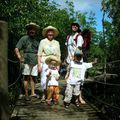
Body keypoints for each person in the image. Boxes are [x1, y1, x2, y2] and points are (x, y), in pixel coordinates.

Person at [15, 22, 40, 101]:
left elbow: (40, 51)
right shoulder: (24, 38)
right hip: (26, 59)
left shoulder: (37, 40)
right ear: (28, 30)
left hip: (35, 60)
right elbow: (16, 48)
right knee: (26, 77)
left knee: (33, 78)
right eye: (31, 29)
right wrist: (19, 57)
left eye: (34, 29)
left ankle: (32, 93)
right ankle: (26, 94)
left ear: (36, 31)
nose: (32, 31)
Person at [37, 26, 61, 102]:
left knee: (53, 78)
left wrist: (58, 65)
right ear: (46, 33)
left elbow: (59, 54)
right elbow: (39, 54)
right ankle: (44, 94)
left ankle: (52, 95)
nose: (50, 33)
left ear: (53, 34)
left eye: (52, 32)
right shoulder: (42, 41)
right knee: (44, 79)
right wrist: (39, 64)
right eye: (49, 32)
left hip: (54, 62)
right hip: (44, 61)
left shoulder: (57, 42)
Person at [65, 22, 85, 104]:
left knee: (79, 79)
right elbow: (67, 48)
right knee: (69, 79)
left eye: (76, 26)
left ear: (78, 28)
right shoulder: (68, 37)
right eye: (73, 25)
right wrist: (66, 58)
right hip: (70, 61)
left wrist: (74, 58)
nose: (74, 26)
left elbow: (79, 48)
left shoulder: (79, 36)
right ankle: (69, 96)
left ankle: (79, 97)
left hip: (77, 62)